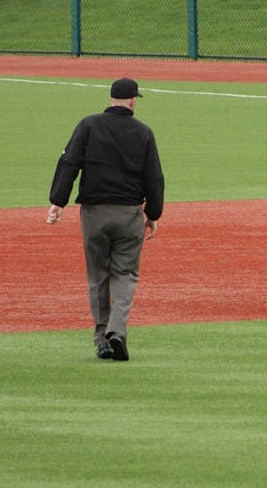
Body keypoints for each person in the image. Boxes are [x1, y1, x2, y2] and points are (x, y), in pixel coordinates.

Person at [47, 77, 164, 362]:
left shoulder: (88, 125)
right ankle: (117, 332)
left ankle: (102, 338)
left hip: (94, 212)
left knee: (98, 276)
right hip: (129, 214)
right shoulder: (143, 132)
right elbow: (154, 177)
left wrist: (58, 201)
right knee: (125, 275)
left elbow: (69, 162)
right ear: (133, 101)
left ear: (111, 98)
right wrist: (154, 214)